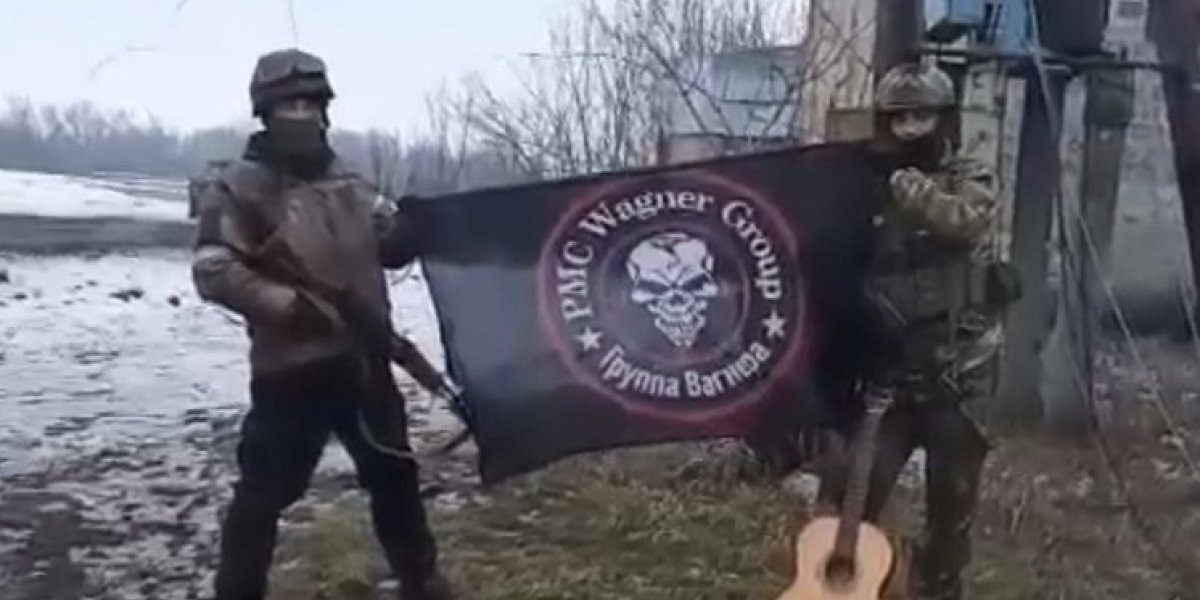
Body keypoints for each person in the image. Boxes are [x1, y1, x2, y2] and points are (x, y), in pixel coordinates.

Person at [190, 48, 455, 600]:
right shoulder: (237, 187)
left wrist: (412, 229)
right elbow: (212, 269)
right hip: (292, 371)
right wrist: (287, 306)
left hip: (367, 362)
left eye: (310, 103)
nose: (301, 114)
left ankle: (421, 582)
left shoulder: (350, 183)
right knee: (262, 496)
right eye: (288, 105)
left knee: (396, 479)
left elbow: (389, 246)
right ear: (265, 112)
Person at [815, 60, 1019, 600]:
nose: (909, 129)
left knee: (951, 506)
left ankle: (936, 589)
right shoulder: (864, 183)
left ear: (943, 120)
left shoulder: (968, 175)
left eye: (921, 117)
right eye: (898, 118)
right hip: (889, 371)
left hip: (959, 366)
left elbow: (965, 222)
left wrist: (912, 190)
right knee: (851, 494)